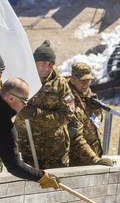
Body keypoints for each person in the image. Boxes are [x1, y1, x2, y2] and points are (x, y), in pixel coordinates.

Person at [15, 40, 90, 169]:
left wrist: (36, 114)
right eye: (43, 63)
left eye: (50, 64)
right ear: (34, 63)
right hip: (26, 149)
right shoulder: (21, 81)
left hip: (54, 151)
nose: (47, 68)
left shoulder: (60, 85)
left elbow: (68, 115)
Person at [66, 62, 114, 167]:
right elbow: (75, 138)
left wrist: (95, 109)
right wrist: (95, 160)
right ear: (73, 80)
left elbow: (95, 123)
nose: (86, 84)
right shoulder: (68, 99)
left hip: (93, 156)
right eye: (82, 81)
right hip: (77, 161)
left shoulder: (86, 93)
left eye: (89, 80)